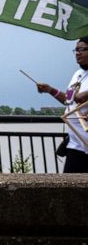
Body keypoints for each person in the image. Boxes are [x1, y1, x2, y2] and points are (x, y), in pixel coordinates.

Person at [33, 37, 88, 173]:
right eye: (76, 49)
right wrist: (50, 90)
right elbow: (68, 100)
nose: (77, 53)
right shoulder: (78, 74)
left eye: (82, 49)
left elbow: (81, 98)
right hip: (76, 144)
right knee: (71, 189)